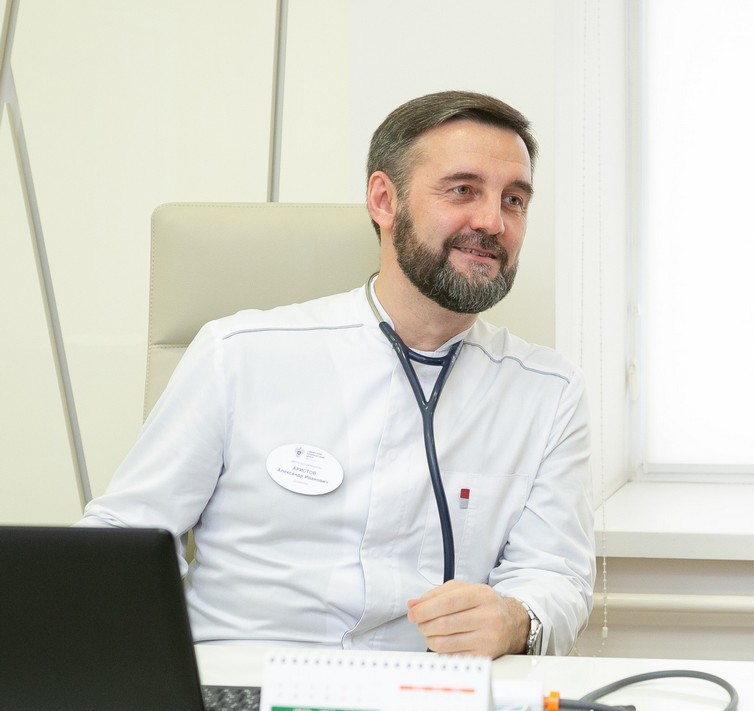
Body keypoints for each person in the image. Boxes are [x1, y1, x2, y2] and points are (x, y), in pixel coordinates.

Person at [79, 91, 594, 659]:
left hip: (420, 691)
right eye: (462, 190)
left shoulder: (548, 392)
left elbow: (555, 574)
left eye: (514, 200)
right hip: (243, 681)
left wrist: (516, 619)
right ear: (384, 200)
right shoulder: (240, 354)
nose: (493, 222)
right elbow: (127, 538)